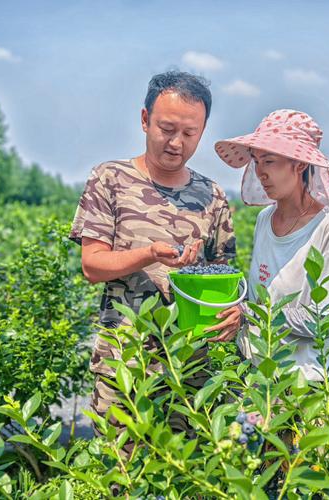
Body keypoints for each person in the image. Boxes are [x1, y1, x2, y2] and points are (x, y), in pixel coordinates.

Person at [68, 71, 236, 433]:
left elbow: (225, 276)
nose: (176, 142)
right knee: (122, 476)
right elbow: (92, 265)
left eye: (190, 133)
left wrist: (233, 311)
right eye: (167, 128)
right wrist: (150, 254)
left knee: (188, 475)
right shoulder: (110, 179)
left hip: (191, 369)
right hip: (125, 365)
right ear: (144, 120)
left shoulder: (213, 195)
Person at [210, 109, 329, 381]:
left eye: (269, 160)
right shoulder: (265, 220)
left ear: (299, 164)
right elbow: (261, 293)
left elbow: (325, 321)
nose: (260, 172)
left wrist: (249, 313)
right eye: (256, 161)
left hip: (304, 387)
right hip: (258, 375)